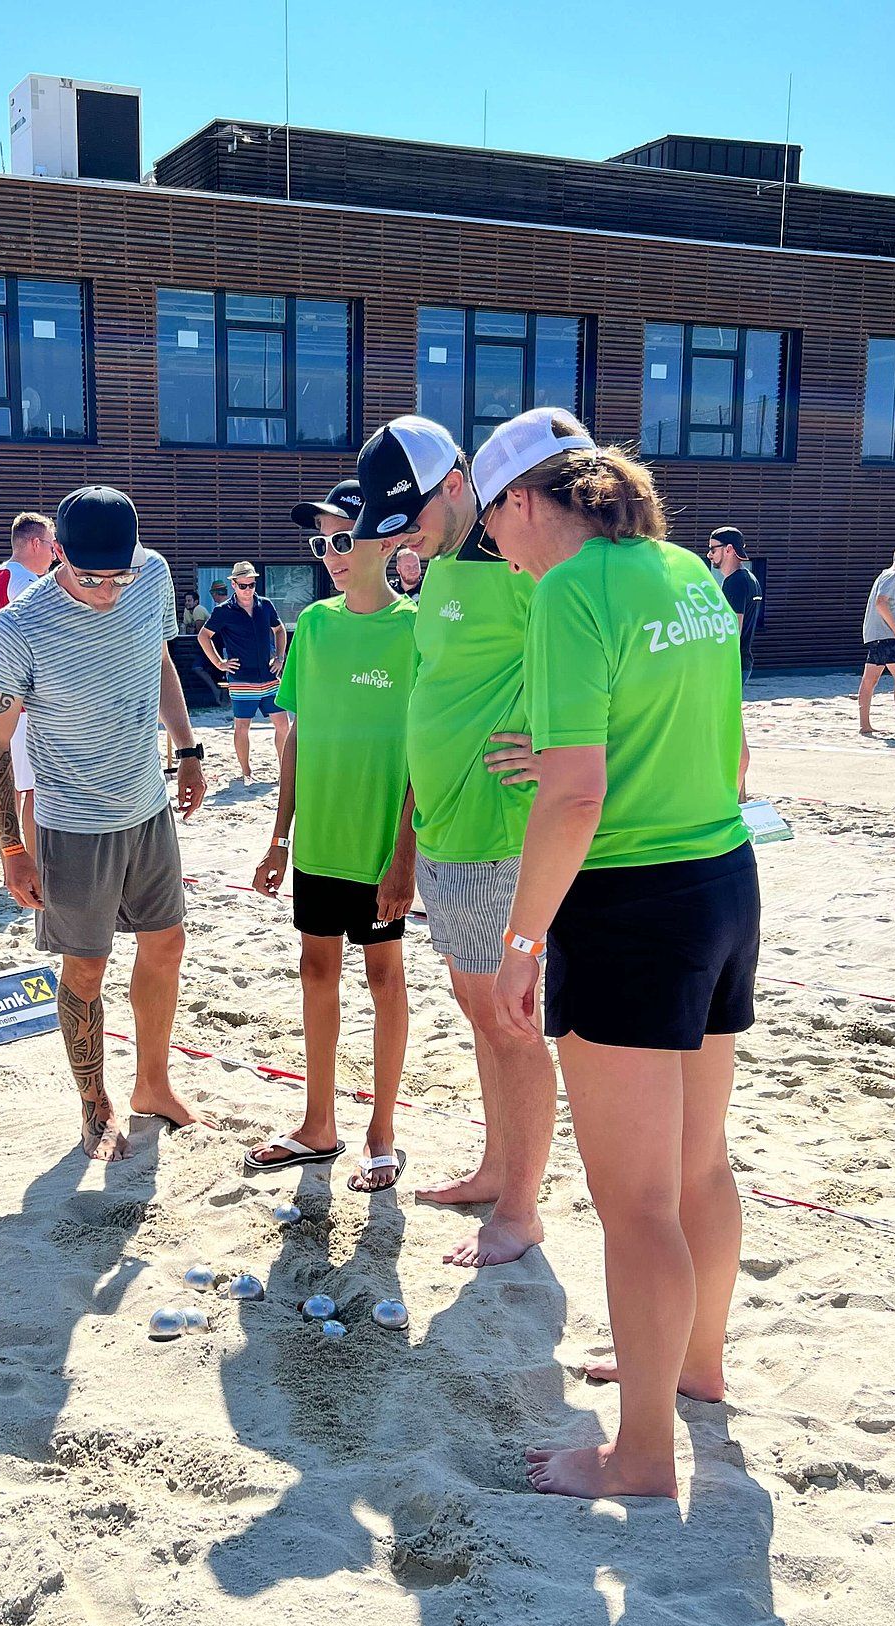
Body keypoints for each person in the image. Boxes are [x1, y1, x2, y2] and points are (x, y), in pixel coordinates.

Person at [482, 408, 757, 1500]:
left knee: (632, 1198)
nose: (494, 552)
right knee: (697, 1165)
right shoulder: (682, 569)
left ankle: (639, 1453)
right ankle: (690, 1368)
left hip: (632, 901)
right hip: (721, 881)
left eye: (493, 529)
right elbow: (712, 739)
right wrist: (558, 763)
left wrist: (518, 940)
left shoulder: (566, 592)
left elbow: (579, 797)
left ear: (518, 503)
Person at [351, 415, 553, 1266]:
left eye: (415, 513)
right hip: (447, 829)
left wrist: (563, 746)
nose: (405, 533)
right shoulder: (438, 569)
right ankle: (497, 1167)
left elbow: (596, 653)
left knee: (509, 1020)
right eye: (393, 522)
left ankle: (521, 1207)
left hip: (498, 830)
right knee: (481, 1015)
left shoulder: (521, 564)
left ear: (462, 482)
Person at [0, 485, 208, 1162]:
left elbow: (156, 658)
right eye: (89, 576)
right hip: (71, 824)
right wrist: (12, 844)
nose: (108, 590)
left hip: (146, 804)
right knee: (87, 967)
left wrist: (188, 747)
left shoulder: (153, 575)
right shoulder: (23, 625)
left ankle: (153, 1085)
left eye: (119, 575)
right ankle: (94, 1104)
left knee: (166, 946)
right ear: (56, 555)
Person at [247, 479, 418, 1191]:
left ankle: (382, 1128)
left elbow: (427, 753)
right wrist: (279, 835)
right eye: (322, 542)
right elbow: (296, 741)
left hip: (381, 845)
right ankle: (320, 1124)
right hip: (319, 840)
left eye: (343, 538)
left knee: (384, 977)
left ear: (386, 539)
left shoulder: (417, 630)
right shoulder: (313, 626)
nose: (331, 554)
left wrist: (406, 855)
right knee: (316, 972)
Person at [0, 512, 57, 858]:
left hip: (0, 691)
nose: (55, 555)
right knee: (35, 788)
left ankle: (30, 855)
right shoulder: (25, 583)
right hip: (24, 697)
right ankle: (36, 860)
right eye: (52, 546)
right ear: (35, 543)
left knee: (26, 784)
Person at [198, 562, 290, 784]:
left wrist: (280, 657)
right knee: (242, 726)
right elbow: (203, 636)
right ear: (233, 584)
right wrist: (220, 663)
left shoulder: (265, 605)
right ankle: (246, 772)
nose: (248, 589)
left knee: (283, 725)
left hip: (270, 676)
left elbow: (279, 630)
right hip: (241, 679)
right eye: (243, 585)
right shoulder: (223, 611)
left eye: (251, 584)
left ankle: (284, 771)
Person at [859, 546, 895, 739]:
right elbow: (881, 603)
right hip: (887, 637)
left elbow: (881, 604)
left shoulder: (883, 575)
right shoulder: (893, 577)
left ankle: (865, 726)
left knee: (869, 680)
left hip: (876, 636)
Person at [706, 526, 762, 687]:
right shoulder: (750, 578)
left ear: (729, 549)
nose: (709, 554)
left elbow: (733, 631)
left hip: (733, 665)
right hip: (742, 663)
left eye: (712, 549)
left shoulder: (735, 582)